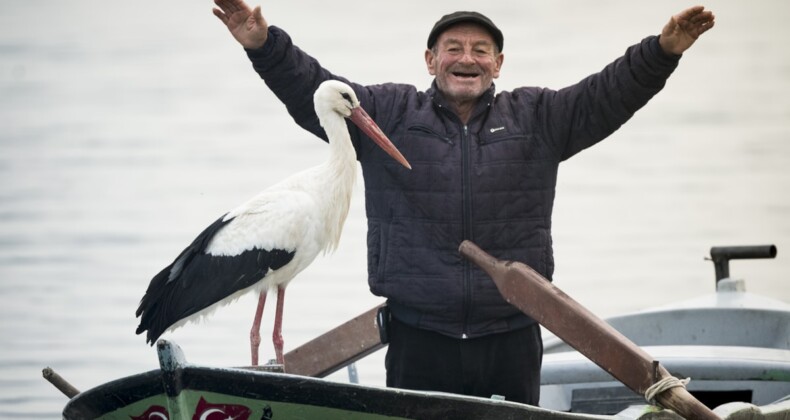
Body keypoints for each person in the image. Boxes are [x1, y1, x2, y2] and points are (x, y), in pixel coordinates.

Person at [212, 0, 714, 405]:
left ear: (498, 63)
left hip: (512, 335)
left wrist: (664, 50)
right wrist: (263, 44)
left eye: (480, 49)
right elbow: (314, 89)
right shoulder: (387, 112)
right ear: (430, 60)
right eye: (453, 48)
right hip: (418, 338)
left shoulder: (538, 117)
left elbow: (607, 95)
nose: (467, 58)